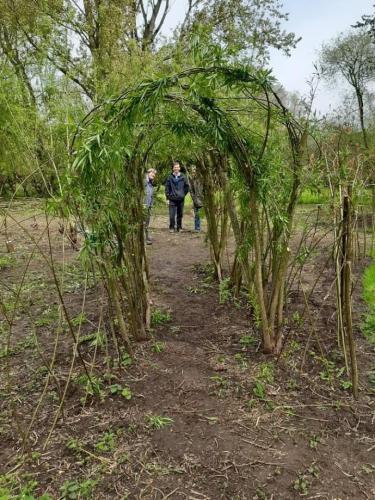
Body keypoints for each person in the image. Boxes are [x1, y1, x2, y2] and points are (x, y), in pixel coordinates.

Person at [165, 161, 189, 233]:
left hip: (180, 199)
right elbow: (167, 188)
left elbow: (187, 187)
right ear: (173, 168)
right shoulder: (169, 177)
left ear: (179, 168)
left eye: (177, 167)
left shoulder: (183, 176)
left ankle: (179, 227)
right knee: (172, 215)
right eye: (175, 167)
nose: (176, 168)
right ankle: (172, 227)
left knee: (180, 214)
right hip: (172, 199)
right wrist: (167, 198)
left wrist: (182, 194)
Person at [188, 166, 203, 232]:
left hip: (202, 199)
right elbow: (191, 191)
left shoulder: (202, 179)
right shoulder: (192, 180)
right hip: (195, 200)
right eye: (192, 171)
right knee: (197, 215)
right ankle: (197, 228)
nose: (193, 172)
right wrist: (194, 199)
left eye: (195, 171)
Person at [144, 168, 157, 245]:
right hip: (143, 206)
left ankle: (146, 237)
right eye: (152, 173)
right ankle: (144, 239)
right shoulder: (144, 181)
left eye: (154, 174)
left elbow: (151, 195)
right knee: (143, 222)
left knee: (147, 222)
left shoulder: (150, 183)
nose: (153, 175)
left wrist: (151, 205)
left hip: (148, 206)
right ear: (148, 173)